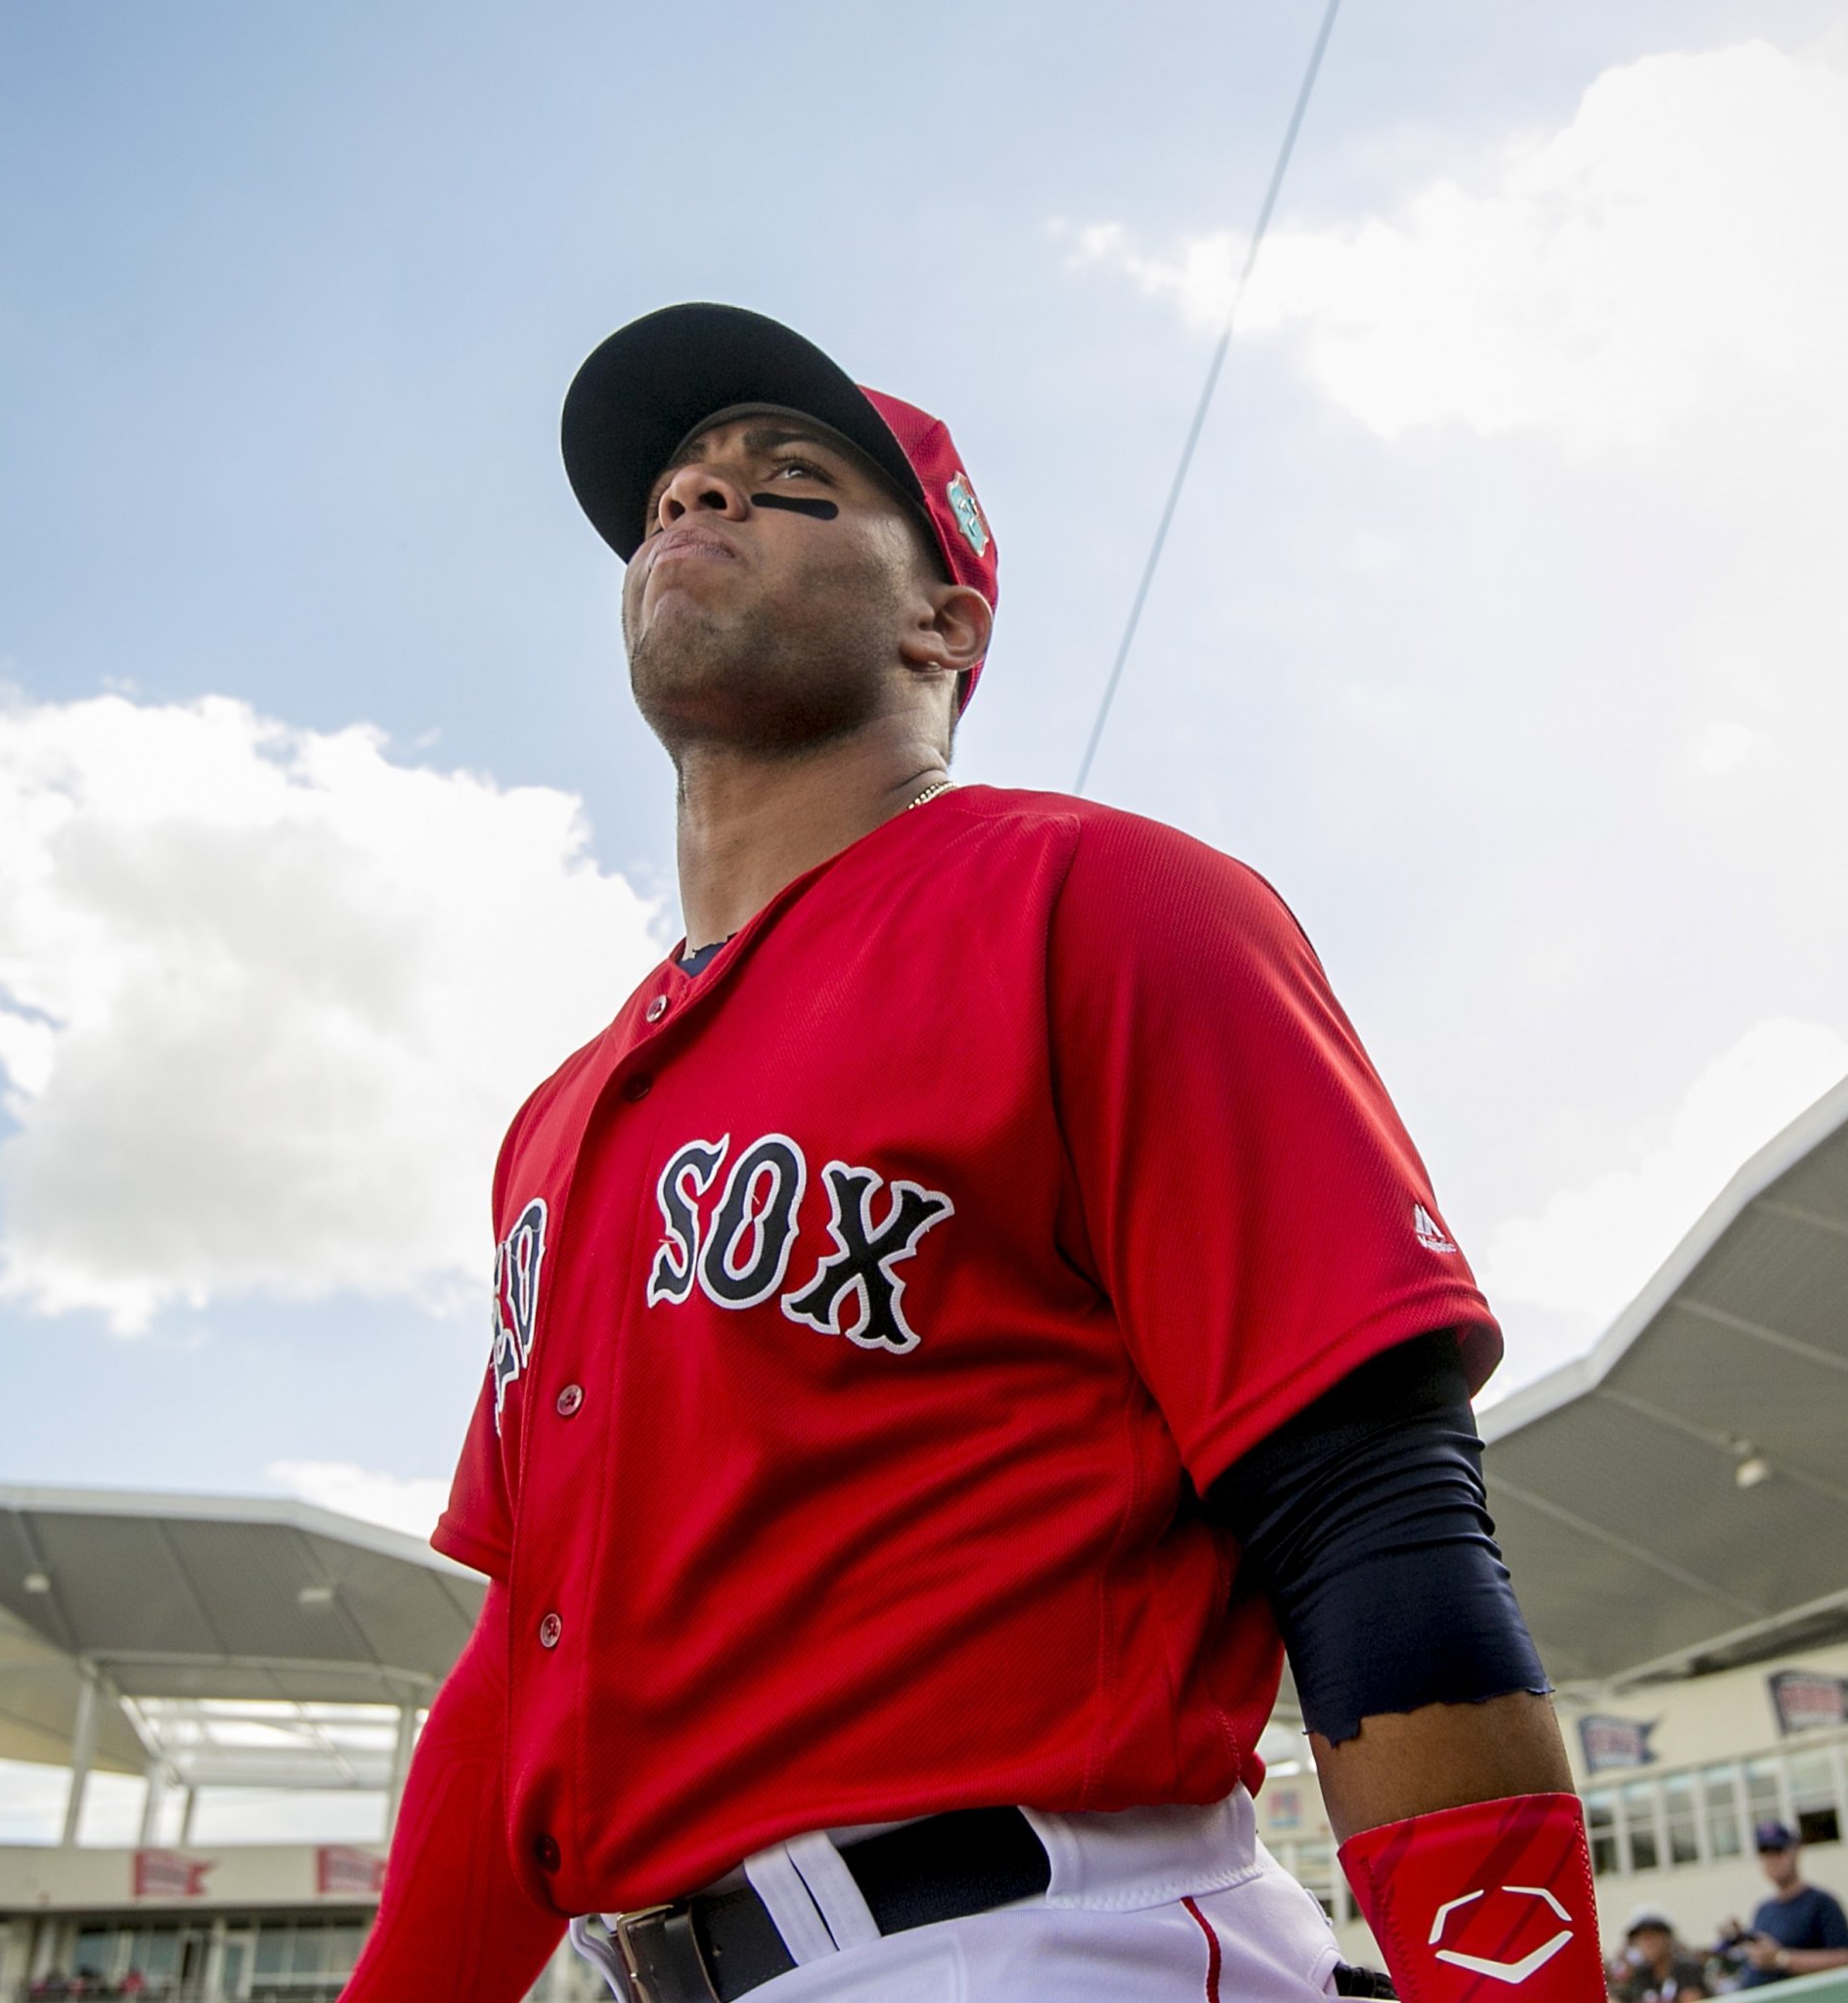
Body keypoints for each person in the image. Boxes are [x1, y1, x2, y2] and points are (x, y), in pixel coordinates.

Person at [342, 302, 1601, 2003]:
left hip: (1033, 1935)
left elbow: (1365, 1493)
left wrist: (1511, 1980)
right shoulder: (557, 1118)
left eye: (788, 482)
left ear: (947, 614)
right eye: (670, 496)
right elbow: (522, 1663)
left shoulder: (1106, 900)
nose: (698, 502)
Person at [1735, 1822, 1848, 1985]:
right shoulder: (1763, 1910)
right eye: (1765, 1853)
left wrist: (1782, 1958)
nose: (1772, 1860)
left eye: (1778, 1851)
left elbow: (1846, 1959)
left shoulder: (1820, 1903)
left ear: (1795, 1852)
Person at [1607, 1907, 1708, 2001]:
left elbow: (1691, 1998)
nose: (1648, 1945)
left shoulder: (1686, 1969)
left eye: (1652, 1937)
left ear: (1667, 1938)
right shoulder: (1642, 1974)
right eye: (1642, 1939)